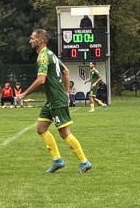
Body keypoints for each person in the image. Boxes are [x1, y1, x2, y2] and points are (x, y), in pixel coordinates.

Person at [18, 28, 91, 173]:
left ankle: (84, 162)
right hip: (51, 99)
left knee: (64, 132)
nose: (30, 41)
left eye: (32, 38)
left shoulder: (43, 56)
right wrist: (67, 92)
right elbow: (66, 71)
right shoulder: (51, 54)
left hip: (56, 99)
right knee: (41, 128)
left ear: (40, 40)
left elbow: (41, 80)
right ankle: (57, 160)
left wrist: (24, 94)